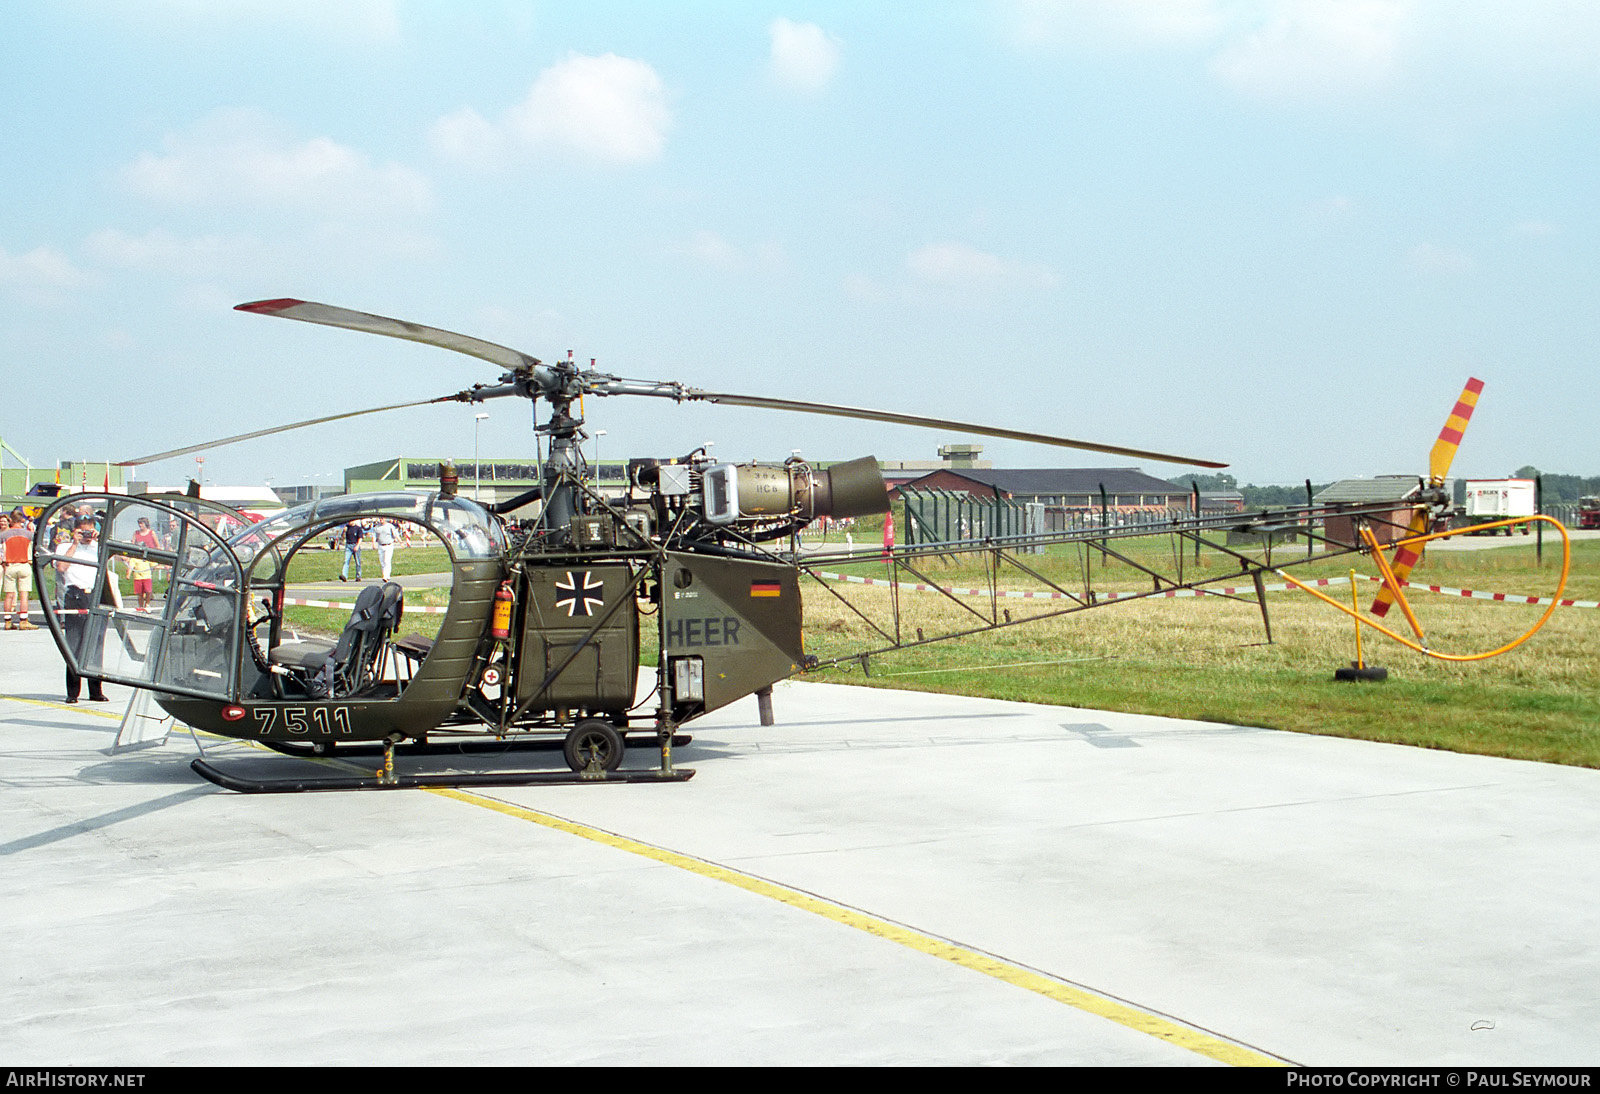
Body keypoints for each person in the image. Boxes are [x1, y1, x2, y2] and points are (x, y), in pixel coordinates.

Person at [57, 517, 108, 703]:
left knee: (96, 646)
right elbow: (61, 566)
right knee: (74, 644)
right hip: (76, 596)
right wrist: (75, 543)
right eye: (83, 532)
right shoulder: (65, 547)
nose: (87, 536)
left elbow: (120, 557)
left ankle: (96, 690)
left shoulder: (99, 547)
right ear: (76, 531)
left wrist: (100, 539)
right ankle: (72, 692)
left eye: (89, 532)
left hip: (96, 594)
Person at [1, 513, 39, 630]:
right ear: (22, 520)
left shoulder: (4, 535)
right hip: (24, 564)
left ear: (11, 520)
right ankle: (23, 620)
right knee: (24, 594)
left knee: (9, 594)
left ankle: (8, 620)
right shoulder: (29, 534)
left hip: (10, 565)